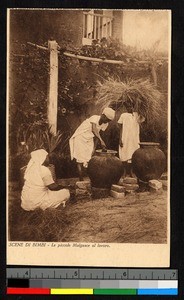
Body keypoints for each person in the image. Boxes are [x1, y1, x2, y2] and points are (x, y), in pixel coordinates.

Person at [69, 107, 115, 181]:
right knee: (80, 159)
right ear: (103, 115)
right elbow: (94, 130)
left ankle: (88, 178)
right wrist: (102, 141)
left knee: (88, 158)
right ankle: (81, 179)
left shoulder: (105, 124)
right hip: (80, 137)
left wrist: (94, 147)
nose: (107, 121)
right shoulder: (94, 118)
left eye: (109, 120)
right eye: (107, 119)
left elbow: (97, 135)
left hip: (89, 139)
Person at [118, 100, 145, 177]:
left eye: (131, 106)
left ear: (134, 107)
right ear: (126, 108)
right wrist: (120, 139)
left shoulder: (137, 115)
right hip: (125, 137)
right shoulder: (123, 115)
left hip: (134, 138)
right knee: (124, 154)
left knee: (133, 154)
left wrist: (140, 108)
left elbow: (143, 119)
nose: (130, 108)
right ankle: (124, 172)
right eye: (128, 107)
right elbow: (120, 128)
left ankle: (131, 172)